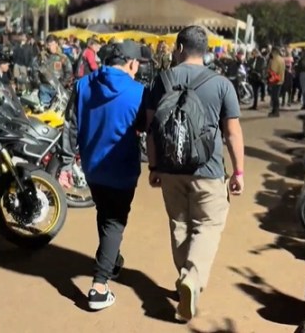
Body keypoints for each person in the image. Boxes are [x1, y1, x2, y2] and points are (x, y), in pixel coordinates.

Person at [145, 25, 245, 322]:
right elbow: (232, 132)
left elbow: (151, 129)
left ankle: (185, 279)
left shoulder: (161, 80)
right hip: (209, 169)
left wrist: (154, 167)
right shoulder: (222, 84)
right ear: (206, 51)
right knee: (208, 225)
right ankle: (192, 279)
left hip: (170, 168)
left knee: (179, 224)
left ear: (178, 48)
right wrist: (238, 171)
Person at [66, 40, 146, 311]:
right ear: (131, 63)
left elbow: (71, 125)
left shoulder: (82, 85)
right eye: (137, 65)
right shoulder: (138, 91)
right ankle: (99, 287)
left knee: (105, 213)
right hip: (122, 169)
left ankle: (112, 260)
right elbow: (145, 125)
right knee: (114, 223)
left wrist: (66, 162)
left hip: (92, 167)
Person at [36, 35, 73, 106]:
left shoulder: (63, 58)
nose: (51, 47)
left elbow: (69, 72)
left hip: (58, 89)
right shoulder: (42, 57)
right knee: (44, 109)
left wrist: (62, 84)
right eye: (49, 45)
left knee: (57, 109)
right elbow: (35, 70)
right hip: (45, 88)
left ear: (56, 44)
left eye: (52, 44)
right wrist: (38, 83)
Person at [267, 47, 285, 117]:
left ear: (274, 52)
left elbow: (273, 70)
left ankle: (276, 111)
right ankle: (275, 110)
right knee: (276, 96)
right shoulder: (281, 59)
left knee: (275, 97)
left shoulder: (275, 60)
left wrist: (269, 70)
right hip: (280, 79)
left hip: (275, 80)